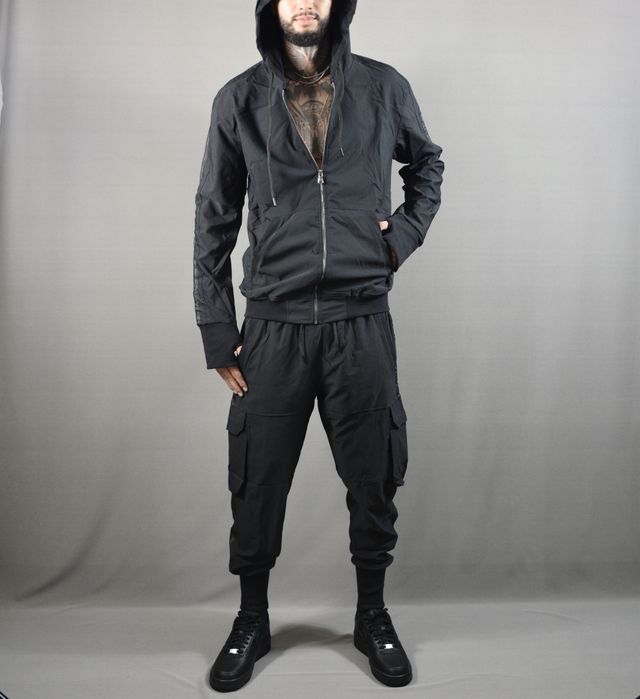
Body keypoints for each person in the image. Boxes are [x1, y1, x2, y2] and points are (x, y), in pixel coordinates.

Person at [193, 0, 444, 691]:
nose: (306, 2)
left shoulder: (383, 87)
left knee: (374, 475)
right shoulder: (239, 99)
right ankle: (251, 618)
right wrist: (217, 328)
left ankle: (372, 615)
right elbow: (213, 215)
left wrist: (399, 238)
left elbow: (428, 166)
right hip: (271, 326)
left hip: (360, 320)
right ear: (270, 6)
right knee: (257, 479)